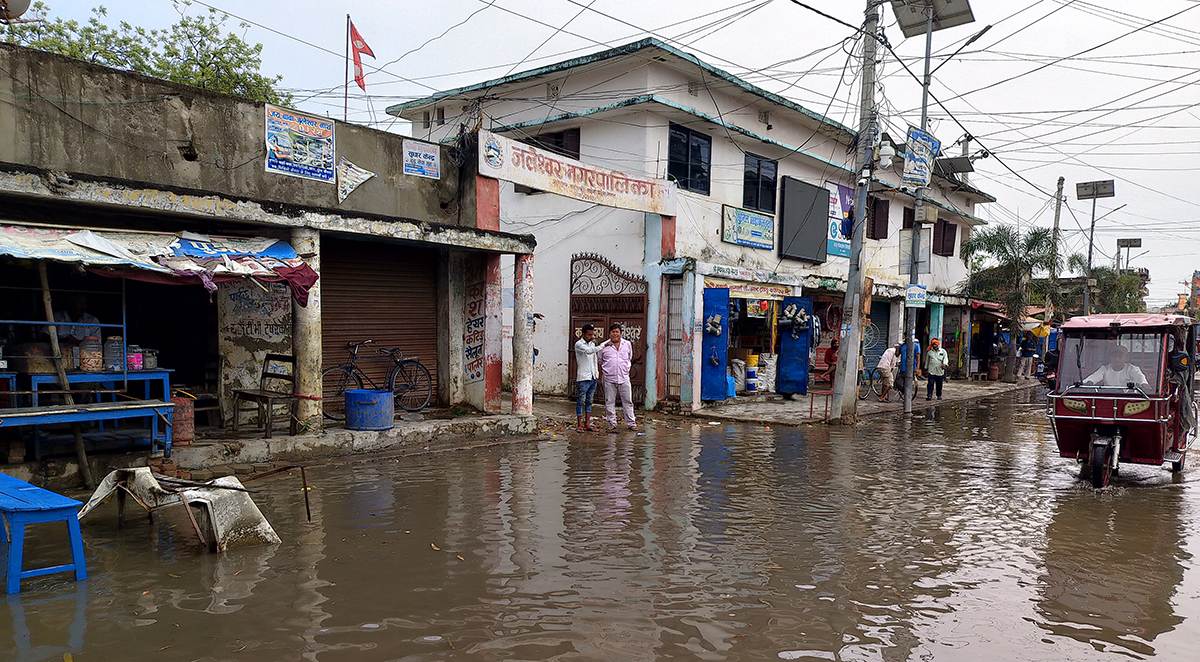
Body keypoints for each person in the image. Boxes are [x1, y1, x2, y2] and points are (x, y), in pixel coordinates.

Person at [598, 323, 636, 432]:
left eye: (617, 332)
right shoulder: (603, 346)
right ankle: (612, 423)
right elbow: (600, 360)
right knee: (609, 401)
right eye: (613, 332)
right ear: (609, 333)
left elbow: (629, 357)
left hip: (624, 377)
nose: (615, 334)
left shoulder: (627, 344)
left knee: (628, 401)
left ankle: (631, 423)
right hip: (609, 378)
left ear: (620, 333)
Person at [573, 324, 607, 433]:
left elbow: (594, 360)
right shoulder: (579, 344)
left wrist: (596, 374)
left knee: (589, 401)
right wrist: (603, 345)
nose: (591, 336)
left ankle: (587, 424)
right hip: (583, 377)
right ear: (583, 334)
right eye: (589, 334)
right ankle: (579, 424)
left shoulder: (592, 344)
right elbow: (589, 351)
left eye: (592, 334)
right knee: (581, 400)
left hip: (593, 376)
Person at [1084, 344, 1149, 388]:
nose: (1117, 358)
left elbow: (1140, 378)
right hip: (1109, 397)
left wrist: (1144, 384)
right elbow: (1093, 378)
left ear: (1126, 358)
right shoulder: (1104, 369)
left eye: (1120, 356)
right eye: (1114, 356)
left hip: (1128, 398)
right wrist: (1087, 383)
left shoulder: (1132, 369)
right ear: (1110, 357)